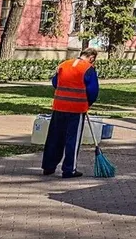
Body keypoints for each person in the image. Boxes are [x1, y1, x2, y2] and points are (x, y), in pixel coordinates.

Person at [42, 46, 100, 178]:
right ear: (91, 58)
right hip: (76, 109)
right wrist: (88, 103)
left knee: (54, 138)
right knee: (72, 139)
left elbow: (55, 83)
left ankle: (48, 167)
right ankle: (69, 169)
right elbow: (93, 90)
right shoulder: (88, 69)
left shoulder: (63, 65)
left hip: (59, 106)